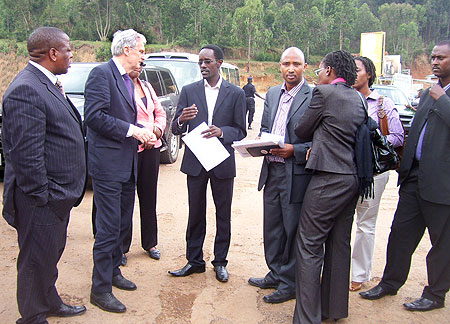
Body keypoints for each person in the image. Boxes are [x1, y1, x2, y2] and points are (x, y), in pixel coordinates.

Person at [2, 26, 87, 324]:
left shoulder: (46, 83)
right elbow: (26, 157)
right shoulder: (27, 88)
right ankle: (33, 316)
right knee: (35, 261)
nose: (71, 53)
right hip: (41, 200)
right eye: (67, 49)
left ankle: (49, 301)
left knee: (49, 255)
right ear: (52, 53)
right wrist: (45, 197)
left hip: (57, 197)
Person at [359, 40, 450, 312]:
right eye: (433, 57)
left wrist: (442, 99)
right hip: (415, 179)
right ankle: (389, 282)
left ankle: (435, 295)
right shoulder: (427, 94)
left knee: (441, 243)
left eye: (441, 58)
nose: (434, 61)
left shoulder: (437, 95)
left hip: (443, 184)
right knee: (400, 235)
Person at [293, 50, 366, 324]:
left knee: (309, 245)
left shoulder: (323, 94)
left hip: (327, 177)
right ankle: (333, 310)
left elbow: (301, 129)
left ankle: (306, 318)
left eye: (320, 70)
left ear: (331, 71)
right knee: (338, 243)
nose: (318, 75)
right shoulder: (358, 97)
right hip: (351, 178)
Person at [84, 29, 151, 313]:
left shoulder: (127, 80)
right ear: (126, 51)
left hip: (127, 164)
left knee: (121, 224)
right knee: (108, 228)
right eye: (141, 51)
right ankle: (100, 289)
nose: (143, 57)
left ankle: (113, 272)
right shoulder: (101, 75)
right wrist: (132, 130)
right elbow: (94, 117)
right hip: (108, 166)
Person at [168, 44, 246, 282]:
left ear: (219, 63)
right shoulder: (189, 91)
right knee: (196, 213)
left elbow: (240, 130)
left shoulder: (236, 93)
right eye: (200, 62)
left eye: (207, 61)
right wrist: (181, 119)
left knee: (223, 214)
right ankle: (194, 261)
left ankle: (220, 262)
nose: (202, 65)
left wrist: (222, 132)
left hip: (221, 161)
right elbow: (175, 127)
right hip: (196, 162)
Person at [247, 47, 312, 304]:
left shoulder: (313, 95)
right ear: (280, 66)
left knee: (291, 228)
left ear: (305, 67)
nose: (291, 69)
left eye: (296, 64)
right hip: (271, 169)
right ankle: (274, 273)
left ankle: (289, 283)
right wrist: (259, 143)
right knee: (272, 227)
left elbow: (319, 140)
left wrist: (294, 150)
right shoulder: (273, 93)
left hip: (295, 173)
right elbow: (265, 127)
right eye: (286, 63)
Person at [350, 56, 404, 292]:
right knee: (339, 222)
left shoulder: (382, 104)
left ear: (369, 74)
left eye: (358, 70)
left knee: (365, 224)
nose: (353, 74)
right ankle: (337, 269)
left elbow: (398, 137)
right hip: (345, 171)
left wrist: (369, 141)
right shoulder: (343, 99)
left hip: (373, 174)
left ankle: (359, 274)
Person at [124, 63, 166, 260]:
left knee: (149, 197)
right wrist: (141, 135)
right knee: (126, 200)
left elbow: (160, 113)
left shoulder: (147, 87)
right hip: (131, 148)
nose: (139, 67)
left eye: (142, 65)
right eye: (136, 64)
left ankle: (150, 243)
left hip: (152, 148)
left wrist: (155, 133)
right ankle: (122, 247)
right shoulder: (121, 87)